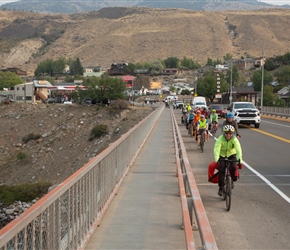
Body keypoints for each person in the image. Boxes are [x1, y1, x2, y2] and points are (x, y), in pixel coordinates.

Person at [214, 125, 243, 196]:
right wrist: (217, 159)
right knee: (221, 170)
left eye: (230, 133)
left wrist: (240, 160)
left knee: (233, 167)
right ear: (224, 133)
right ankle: (221, 187)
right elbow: (216, 149)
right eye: (226, 133)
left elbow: (238, 150)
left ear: (232, 134)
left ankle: (231, 180)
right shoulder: (220, 138)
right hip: (222, 155)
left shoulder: (234, 139)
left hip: (231, 154)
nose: (228, 135)